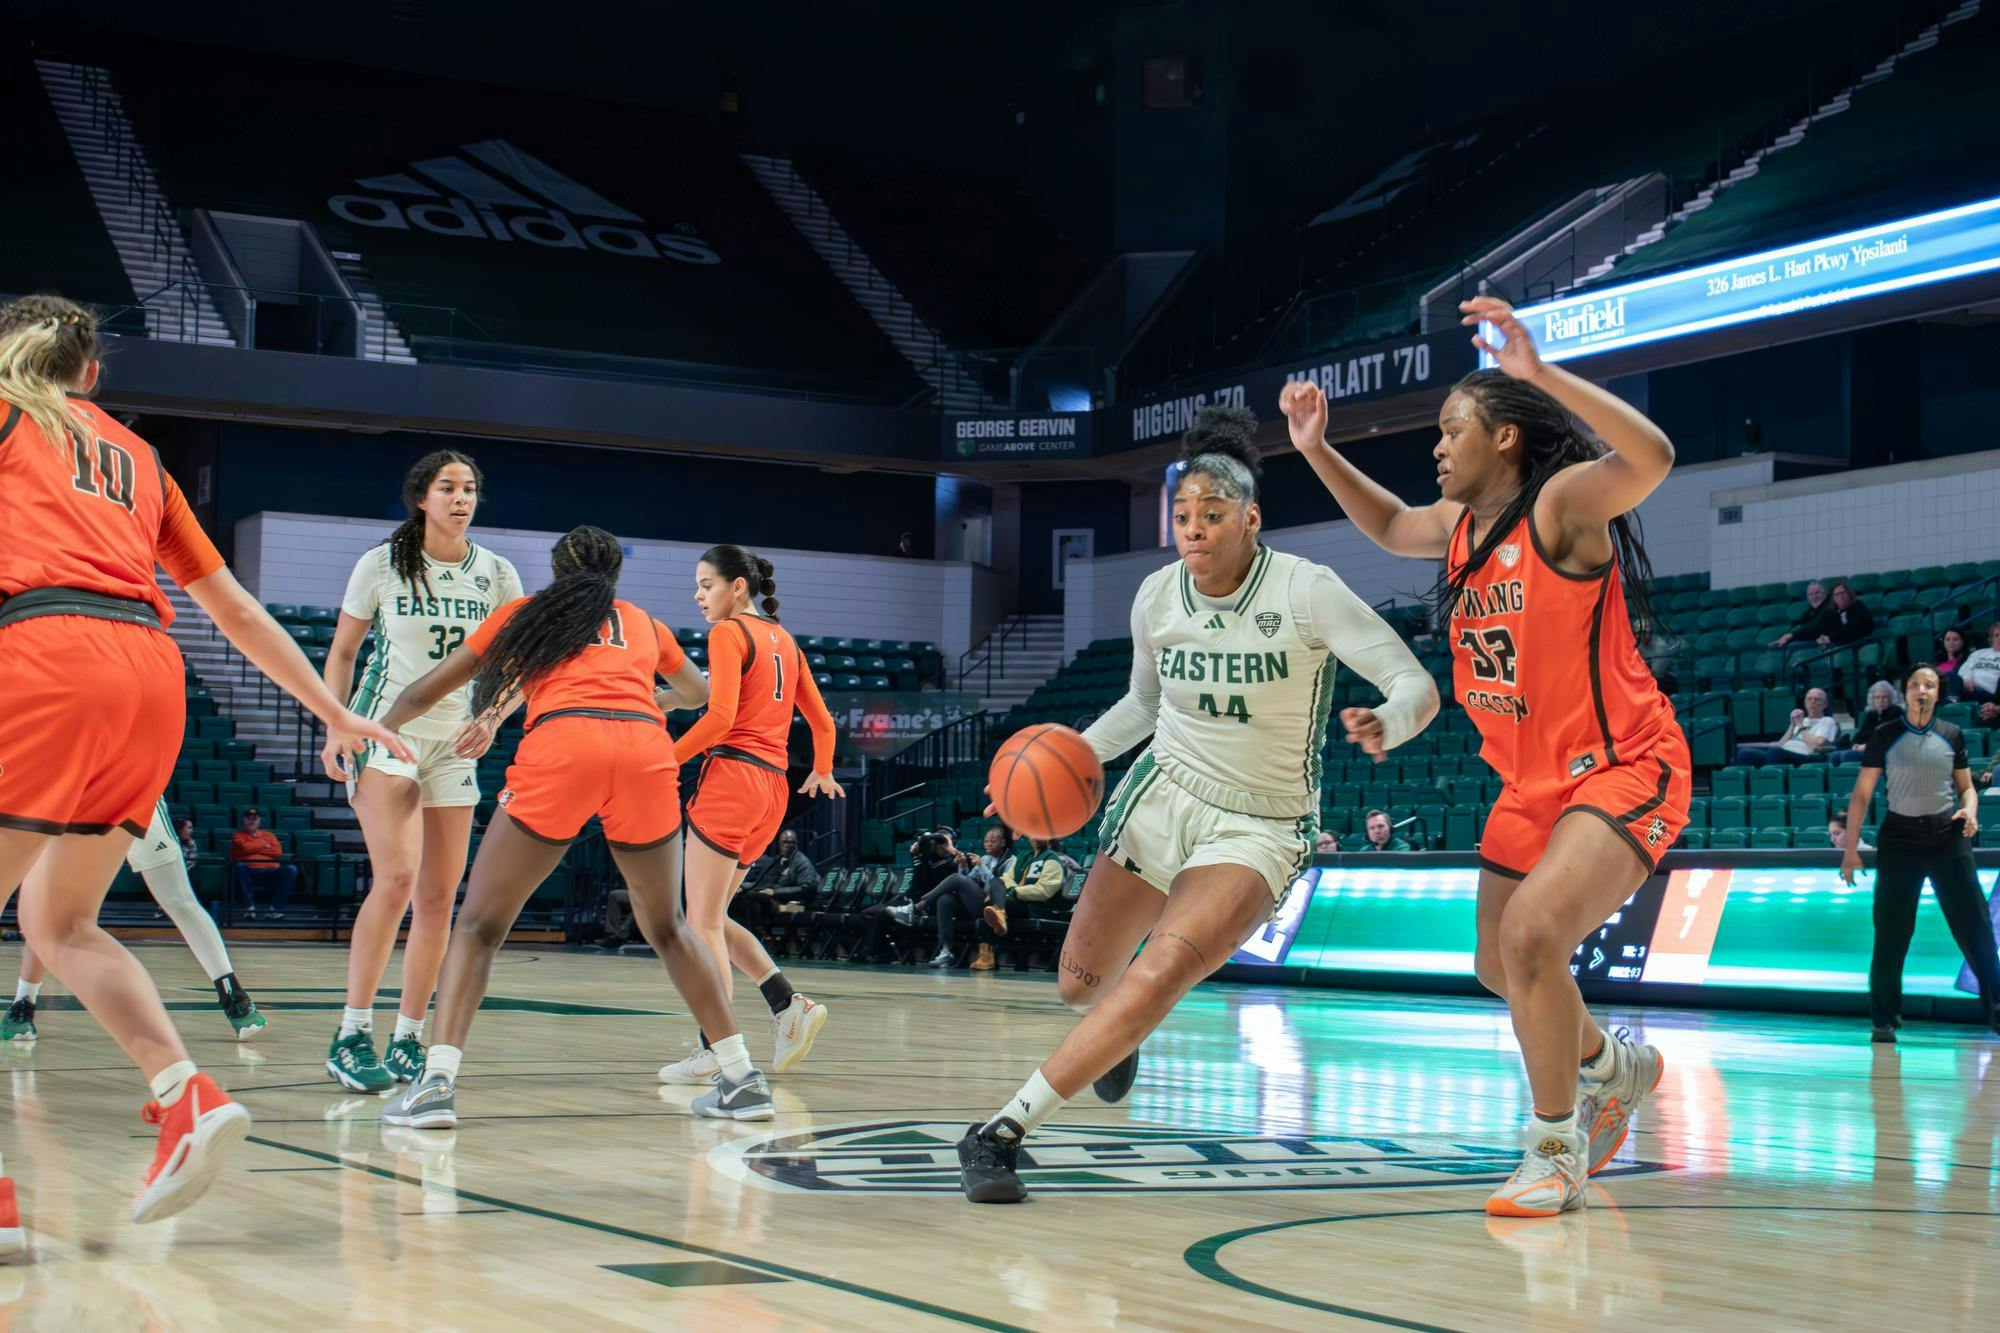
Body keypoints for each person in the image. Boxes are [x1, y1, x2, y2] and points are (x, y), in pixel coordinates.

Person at [0, 292, 410, 1233]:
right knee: (59, 921)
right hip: (152, 676)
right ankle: (185, 1091)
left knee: (54, 919)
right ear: (91, 373)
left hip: (46, 651)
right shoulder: (142, 460)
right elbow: (234, 610)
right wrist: (333, 710)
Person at [957, 403, 1438, 1204]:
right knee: (1080, 985)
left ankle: (1000, 1131)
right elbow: (1144, 704)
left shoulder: (1306, 590)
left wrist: (1390, 719)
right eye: (1182, 514)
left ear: (1251, 518)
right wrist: (1057, 758)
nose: (1193, 528)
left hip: (1259, 820)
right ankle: (1118, 1030)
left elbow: (1414, 683)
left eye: (1212, 513)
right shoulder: (1156, 596)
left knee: (1164, 967)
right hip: (1162, 793)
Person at [1278, 296, 1690, 1219]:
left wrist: (1542, 374)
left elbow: (1654, 458)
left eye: (1451, 429)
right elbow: (1391, 524)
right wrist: (1314, 449)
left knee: (1533, 935)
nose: (1437, 447)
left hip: (1622, 763)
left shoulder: (1560, 506)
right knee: (1500, 965)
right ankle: (1612, 1066)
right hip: (1530, 784)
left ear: (1505, 437)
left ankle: (1554, 1147)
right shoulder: (1460, 528)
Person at [381, 526, 774, 1127]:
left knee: (479, 926)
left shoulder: (529, 613)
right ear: (614, 574)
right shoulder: (642, 622)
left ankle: (435, 1085)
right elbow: (697, 692)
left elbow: (427, 690)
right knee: (669, 926)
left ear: (557, 570)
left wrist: (375, 729)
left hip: (564, 745)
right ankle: (742, 1076)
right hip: (643, 751)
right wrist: (654, 701)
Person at [320, 450, 523, 1092]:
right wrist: (336, 724)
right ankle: (351, 1032)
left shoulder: (496, 573)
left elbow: (523, 663)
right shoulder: (381, 564)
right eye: (448, 487)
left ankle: (408, 1036)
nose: (461, 499)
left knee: (438, 900)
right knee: (398, 878)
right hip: (387, 731)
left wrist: (492, 717)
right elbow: (344, 651)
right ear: (421, 498)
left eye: (470, 489)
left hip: (453, 743)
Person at [657, 546, 842, 1086]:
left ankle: (718, 1048)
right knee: (713, 916)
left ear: (738, 587)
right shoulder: (785, 640)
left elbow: (720, 718)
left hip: (733, 780)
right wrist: (823, 769)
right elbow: (823, 723)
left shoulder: (728, 632)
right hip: (773, 790)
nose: (697, 595)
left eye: (706, 584)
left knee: (701, 922)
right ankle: (787, 1004)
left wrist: (664, 760)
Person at [2, 800, 268, 1044]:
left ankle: (233, 994)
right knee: (48, 909)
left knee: (179, 900)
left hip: (132, 794)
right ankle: (23, 1002)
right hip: (85, 797)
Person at [1839, 665, 2000, 1044]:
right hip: (1900, 840)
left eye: (1929, 684)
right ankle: (1883, 1019)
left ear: (1937, 693)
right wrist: (1850, 850)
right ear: (1905, 693)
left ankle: (1996, 1010)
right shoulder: (1885, 734)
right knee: (1891, 932)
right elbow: (1861, 794)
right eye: (1914, 685)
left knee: (1976, 928)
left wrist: (1970, 810)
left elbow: (1966, 788)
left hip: (1948, 837)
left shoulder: (1952, 734)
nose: (1921, 690)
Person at [1731, 688, 1838, 767]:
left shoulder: (1827, 721)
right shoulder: (1803, 720)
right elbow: (1780, 745)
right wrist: (1792, 725)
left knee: (1775, 752)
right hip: (1783, 754)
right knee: (1745, 754)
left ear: (1824, 704)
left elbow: (1816, 745)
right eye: (1809, 699)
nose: (1812, 702)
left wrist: (1800, 725)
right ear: (1805, 702)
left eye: (1817, 699)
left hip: (1806, 758)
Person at [228, 808, 296, 918]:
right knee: (240, 866)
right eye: (249, 819)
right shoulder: (237, 835)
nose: (252, 821)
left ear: (259, 821)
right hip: (248, 872)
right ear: (244, 820)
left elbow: (277, 852)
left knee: (291, 869)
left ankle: (276, 910)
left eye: (254, 819)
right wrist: (264, 844)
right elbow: (245, 848)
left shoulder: (269, 835)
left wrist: (252, 848)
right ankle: (249, 908)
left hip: (269, 872)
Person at [1828, 681, 1903, 766]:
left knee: (1847, 755)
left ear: (1891, 699)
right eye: (1877, 697)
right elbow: (1860, 735)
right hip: (1867, 749)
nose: (1881, 700)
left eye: (1884, 697)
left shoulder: (1896, 712)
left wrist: (1866, 746)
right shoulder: (1871, 715)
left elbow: (1888, 737)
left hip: (1885, 752)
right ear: (1872, 700)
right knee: (1835, 756)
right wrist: (1855, 745)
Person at [1956, 622, 2000, 723]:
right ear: (1991, 639)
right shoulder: (1979, 653)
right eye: (1996, 635)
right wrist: (1966, 679)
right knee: (1951, 676)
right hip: (1967, 687)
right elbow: (1965, 668)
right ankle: (1952, 703)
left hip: (1989, 693)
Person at [1771, 582, 1826, 649]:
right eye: (1811, 594)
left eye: (1817, 593)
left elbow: (1814, 626)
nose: (1814, 596)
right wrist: (1787, 638)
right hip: (1812, 640)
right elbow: (1805, 632)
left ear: (1824, 594)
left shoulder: (1829, 608)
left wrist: (1791, 635)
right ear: (1808, 597)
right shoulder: (1808, 613)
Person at [1935, 627, 1969, 698]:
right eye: (1948, 640)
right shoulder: (1937, 660)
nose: (1951, 642)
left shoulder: (1968, 660)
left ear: (1962, 641)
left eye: (1955, 639)